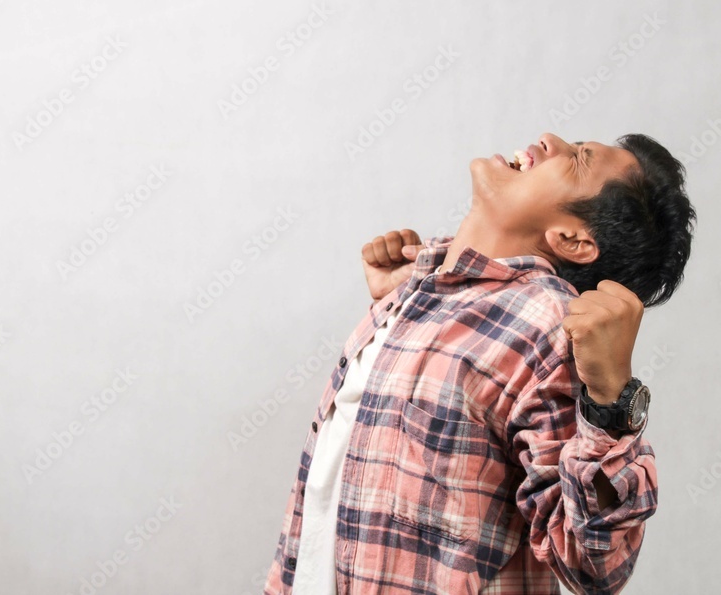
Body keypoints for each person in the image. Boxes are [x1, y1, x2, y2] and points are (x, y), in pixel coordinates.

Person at [263, 132, 696, 595]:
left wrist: (612, 402)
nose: (551, 140)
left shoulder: (549, 323)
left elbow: (595, 565)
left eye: (579, 161)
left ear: (571, 239)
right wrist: (410, 316)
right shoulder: (415, 289)